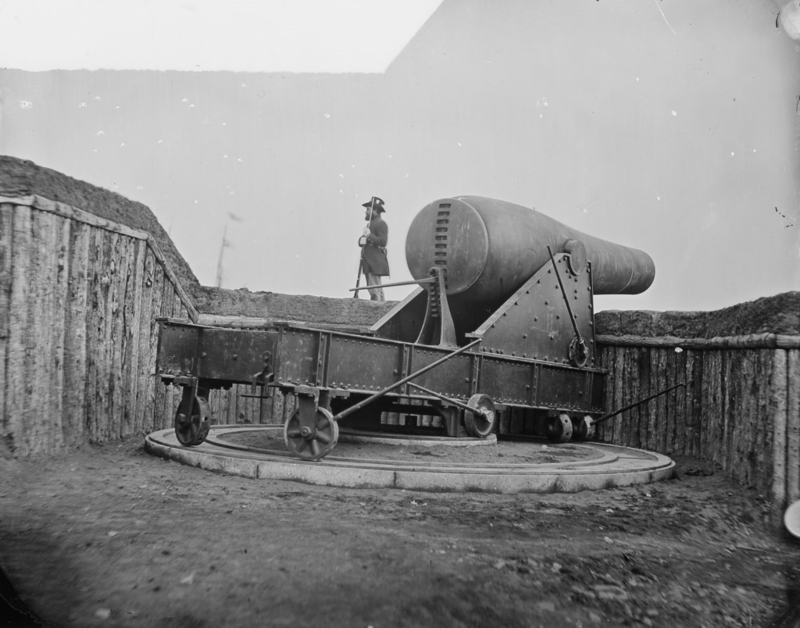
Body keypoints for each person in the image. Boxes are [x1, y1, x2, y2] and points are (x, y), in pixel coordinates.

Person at [359, 196, 390, 301]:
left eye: (368, 209)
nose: (366, 212)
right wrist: (361, 240)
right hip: (369, 260)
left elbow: (383, 242)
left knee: (374, 291)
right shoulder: (370, 224)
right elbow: (365, 239)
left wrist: (369, 236)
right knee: (376, 289)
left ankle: (378, 311)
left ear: (375, 210)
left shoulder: (381, 223)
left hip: (374, 261)